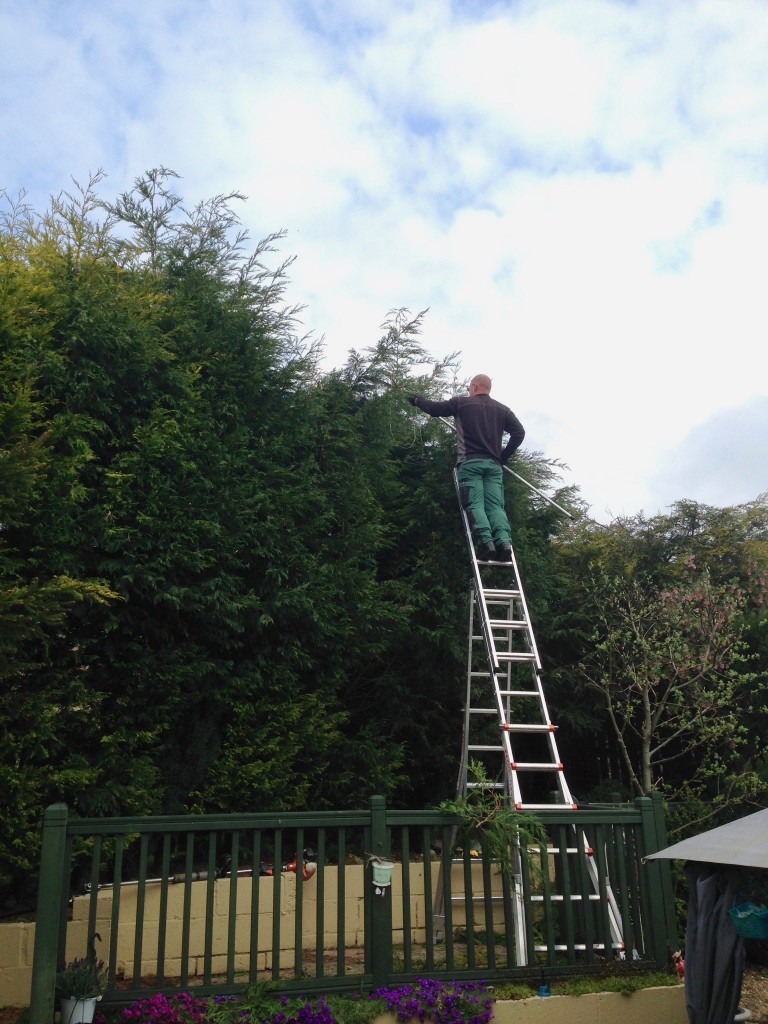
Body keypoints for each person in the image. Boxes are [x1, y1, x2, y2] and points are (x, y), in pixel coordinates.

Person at [409, 374, 524, 562]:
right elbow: (519, 432)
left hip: (470, 464)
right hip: (493, 467)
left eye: (470, 388)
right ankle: (504, 543)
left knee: (475, 504)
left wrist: (417, 401)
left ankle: (486, 543)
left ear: (475, 386)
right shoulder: (503, 410)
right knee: (496, 506)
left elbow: (435, 409)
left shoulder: (462, 403)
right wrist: (503, 457)